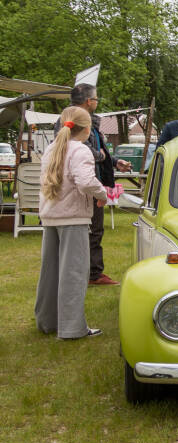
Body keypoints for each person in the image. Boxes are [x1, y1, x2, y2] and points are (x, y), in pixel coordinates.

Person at [35, 106, 108, 339]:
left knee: (50, 272)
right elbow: (86, 181)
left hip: (50, 215)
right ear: (87, 129)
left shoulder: (52, 148)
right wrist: (102, 195)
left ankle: (47, 321)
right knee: (74, 273)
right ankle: (72, 328)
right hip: (72, 217)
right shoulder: (81, 150)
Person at [54, 83, 131, 286]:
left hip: (89, 182)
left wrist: (114, 161)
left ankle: (92, 273)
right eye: (96, 99)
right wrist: (100, 156)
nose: (97, 102)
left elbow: (98, 148)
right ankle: (89, 275)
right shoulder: (68, 121)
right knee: (85, 233)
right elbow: (76, 149)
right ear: (89, 101)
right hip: (78, 188)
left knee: (95, 231)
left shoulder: (90, 122)